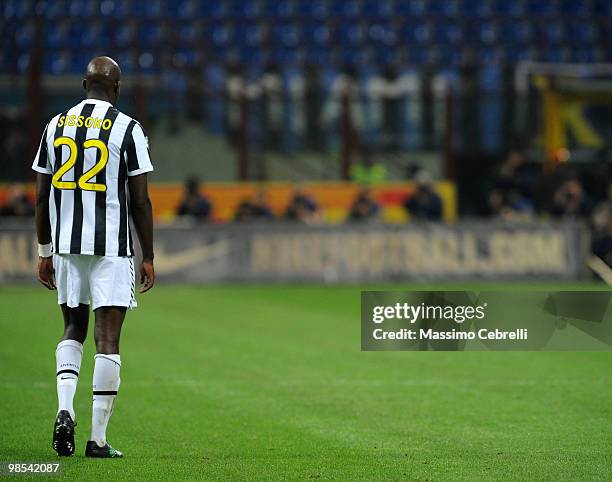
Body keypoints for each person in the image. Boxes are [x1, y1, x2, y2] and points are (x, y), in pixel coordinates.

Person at [33, 57, 155, 459]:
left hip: (67, 246)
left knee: (72, 329)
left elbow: (40, 195)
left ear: (85, 83)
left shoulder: (54, 125)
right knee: (108, 341)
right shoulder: (128, 129)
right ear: (117, 88)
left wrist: (44, 251)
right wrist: (147, 255)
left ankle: (64, 408)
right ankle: (97, 439)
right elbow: (140, 201)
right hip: (111, 250)